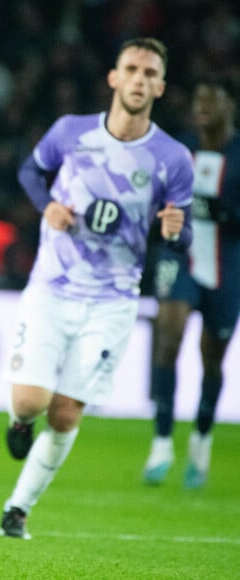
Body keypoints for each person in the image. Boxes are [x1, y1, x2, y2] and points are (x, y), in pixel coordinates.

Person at [0, 37, 194, 540]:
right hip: (52, 288)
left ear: (161, 86)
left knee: (65, 413)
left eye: (150, 73)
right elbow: (30, 171)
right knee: (30, 403)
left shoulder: (173, 157)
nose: (139, 79)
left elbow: (181, 232)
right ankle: (19, 424)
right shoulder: (72, 132)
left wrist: (176, 230)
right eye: (132, 68)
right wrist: (48, 206)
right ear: (114, 77)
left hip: (112, 301)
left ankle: (17, 509)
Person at [143, 76, 240, 489]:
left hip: (227, 263)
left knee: (212, 358)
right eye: (197, 98)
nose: (201, 106)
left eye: (210, 99)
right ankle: (162, 441)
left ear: (228, 107)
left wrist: (222, 213)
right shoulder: (178, 146)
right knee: (168, 332)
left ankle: (201, 440)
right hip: (178, 256)